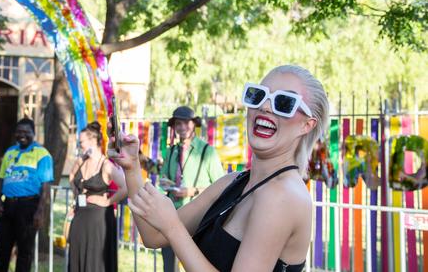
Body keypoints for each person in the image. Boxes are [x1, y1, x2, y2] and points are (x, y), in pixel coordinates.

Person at [114, 65, 328, 271]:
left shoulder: (283, 195)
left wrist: (172, 226)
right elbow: (153, 236)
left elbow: (168, 230)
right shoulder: (233, 182)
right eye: (258, 95)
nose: (265, 107)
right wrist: (131, 168)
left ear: (306, 125)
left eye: (284, 102)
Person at [158, 106, 225, 272]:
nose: (182, 127)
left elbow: (222, 188)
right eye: (178, 124)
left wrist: (192, 191)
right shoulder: (172, 151)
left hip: (199, 221)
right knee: (169, 267)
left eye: (186, 123)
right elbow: (163, 180)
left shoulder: (207, 152)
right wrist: (166, 184)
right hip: (172, 217)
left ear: (193, 124)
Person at [0, 118, 53, 272]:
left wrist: (40, 211)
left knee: (24, 252)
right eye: (19, 132)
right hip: (8, 206)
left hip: (28, 207)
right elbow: (2, 178)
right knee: (1, 249)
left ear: (33, 133)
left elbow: (45, 186)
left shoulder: (42, 154)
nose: (22, 135)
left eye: (26, 132)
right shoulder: (10, 152)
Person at [67, 121, 127, 272]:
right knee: (77, 259)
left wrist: (108, 201)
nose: (79, 145)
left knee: (95, 263)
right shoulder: (81, 161)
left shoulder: (106, 164)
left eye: (81, 142)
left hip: (99, 221)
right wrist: (77, 196)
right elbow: (71, 177)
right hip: (80, 218)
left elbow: (125, 187)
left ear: (93, 141)